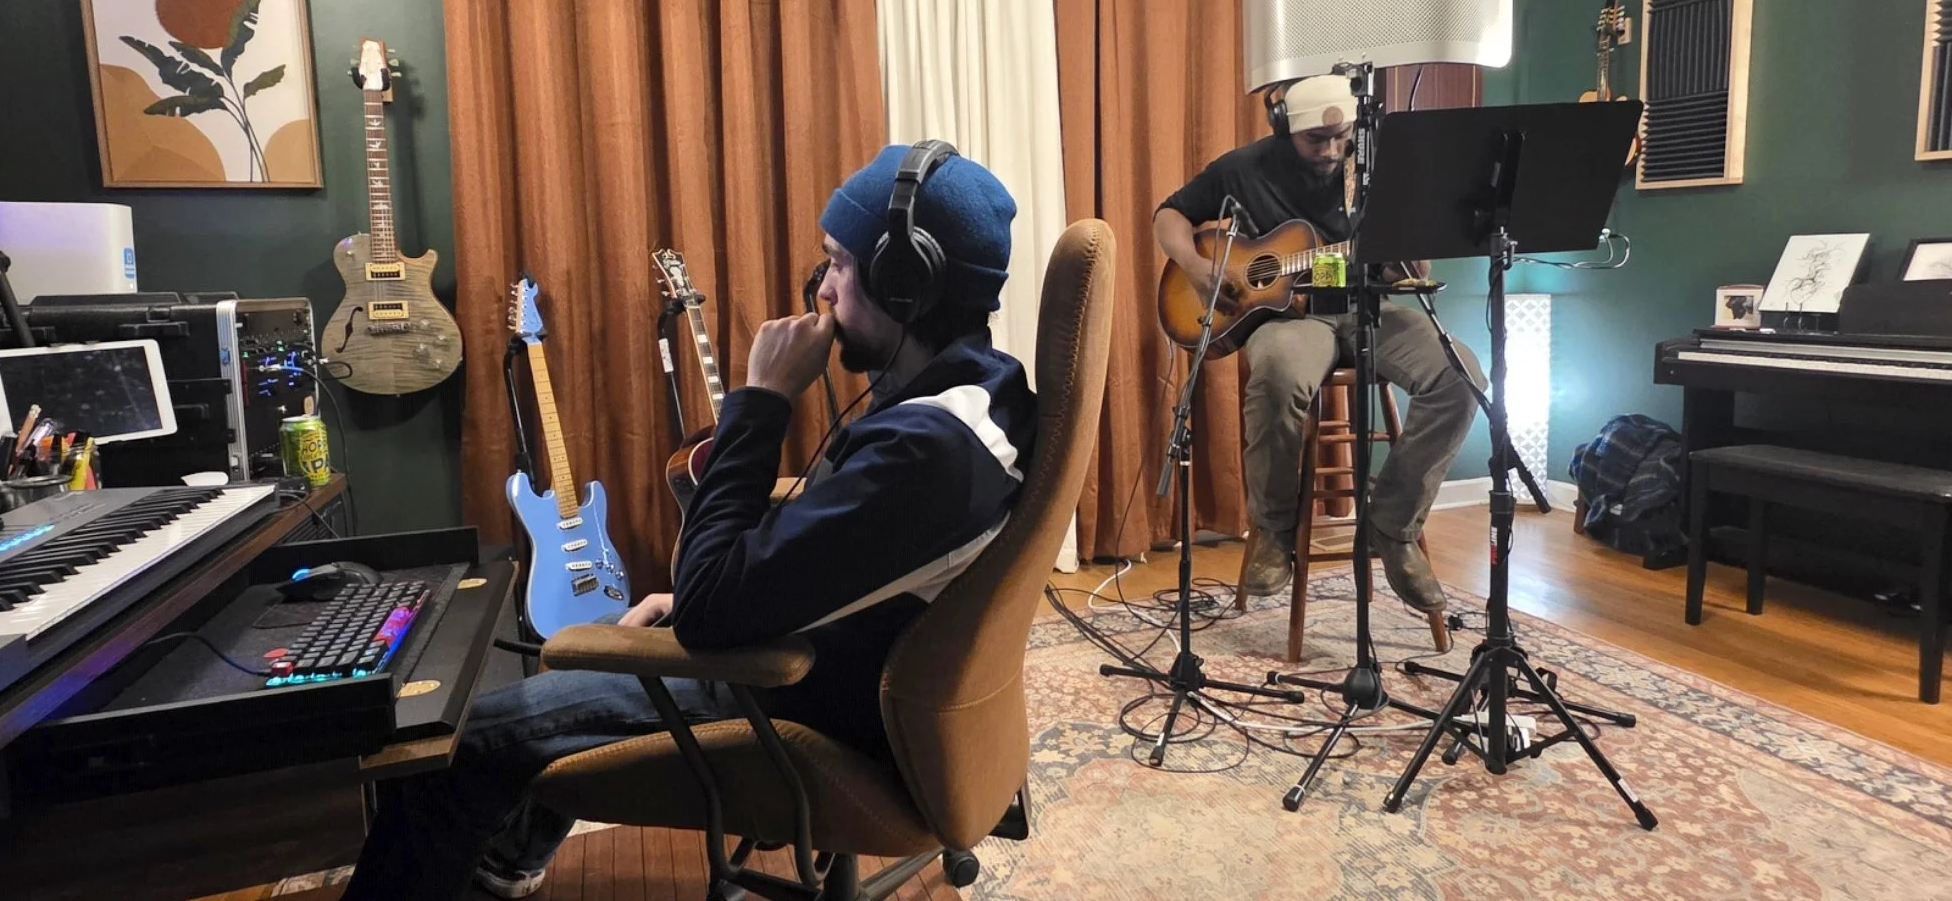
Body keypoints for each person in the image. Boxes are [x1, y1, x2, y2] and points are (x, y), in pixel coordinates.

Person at [342, 144, 1035, 900]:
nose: (824, 289)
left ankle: (482, 855)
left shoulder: (927, 452)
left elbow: (708, 611)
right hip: (829, 645)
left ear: (907, 284)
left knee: (457, 743)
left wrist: (763, 399)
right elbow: (849, 549)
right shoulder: (980, 393)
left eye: (840, 262)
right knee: (597, 653)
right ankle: (509, 859)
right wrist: (715, 591)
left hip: (793, 697)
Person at [1151, 73, 1480, 611]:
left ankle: (1392, 525)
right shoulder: (1242, 169)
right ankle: (1274, 531)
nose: (1330, 151)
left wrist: (1409, 252)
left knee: (1461, 375)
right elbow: (1169, 214)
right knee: (1279, 374)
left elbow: (1413, 268)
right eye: (1315, 140)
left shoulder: (1375, 168)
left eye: (1340, 137)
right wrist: (1194, 264)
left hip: (1368, 308)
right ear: (1284, 127)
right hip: (1290, 321)